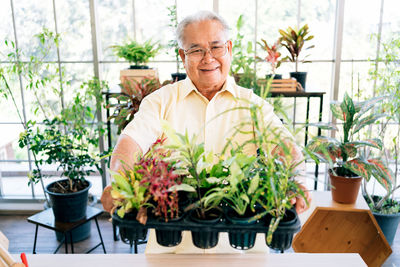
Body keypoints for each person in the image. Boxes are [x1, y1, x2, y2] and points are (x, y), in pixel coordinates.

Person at [101, 10, 311, 252]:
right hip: (170, 243)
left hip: (242, 242)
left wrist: (297, 181)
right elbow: (130, 143)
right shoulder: (160, 101)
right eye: (196, 50)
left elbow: (285, 146)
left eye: (216, 47)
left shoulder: (254, 105)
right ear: (183, 55)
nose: (208, 58)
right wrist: (120, 182)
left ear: (229, 48)